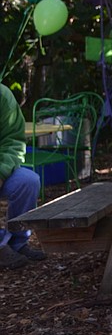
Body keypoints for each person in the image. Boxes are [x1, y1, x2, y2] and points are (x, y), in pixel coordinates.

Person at [0, 83, 46, 269]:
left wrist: (2, 172)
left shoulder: (2, 96)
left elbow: (13, 141)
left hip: (2, 166)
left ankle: (18, 243)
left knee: (29, 181)